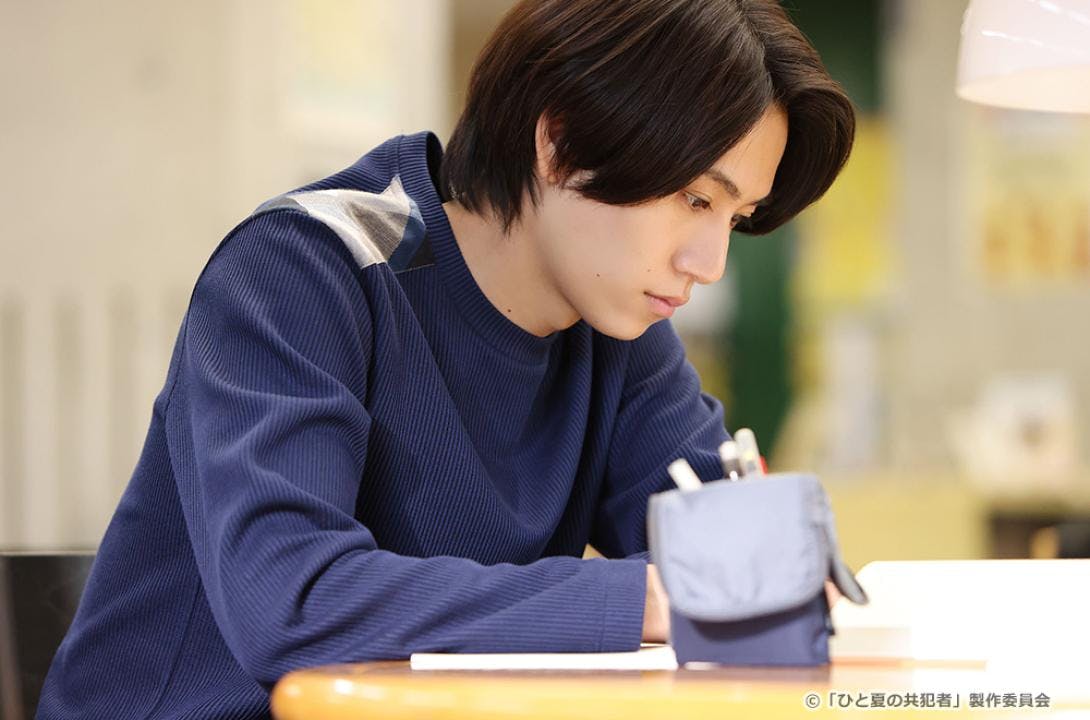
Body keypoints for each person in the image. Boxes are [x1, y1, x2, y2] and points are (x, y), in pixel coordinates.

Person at [37, 0, 853, 717]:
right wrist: (644, 596)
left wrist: (765, 564)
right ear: (560, 142)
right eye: (696, 199)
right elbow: (291, 600)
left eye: (735, 217)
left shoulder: (618, 328)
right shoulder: (305, 270)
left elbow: (741, 562)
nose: (709, 263)